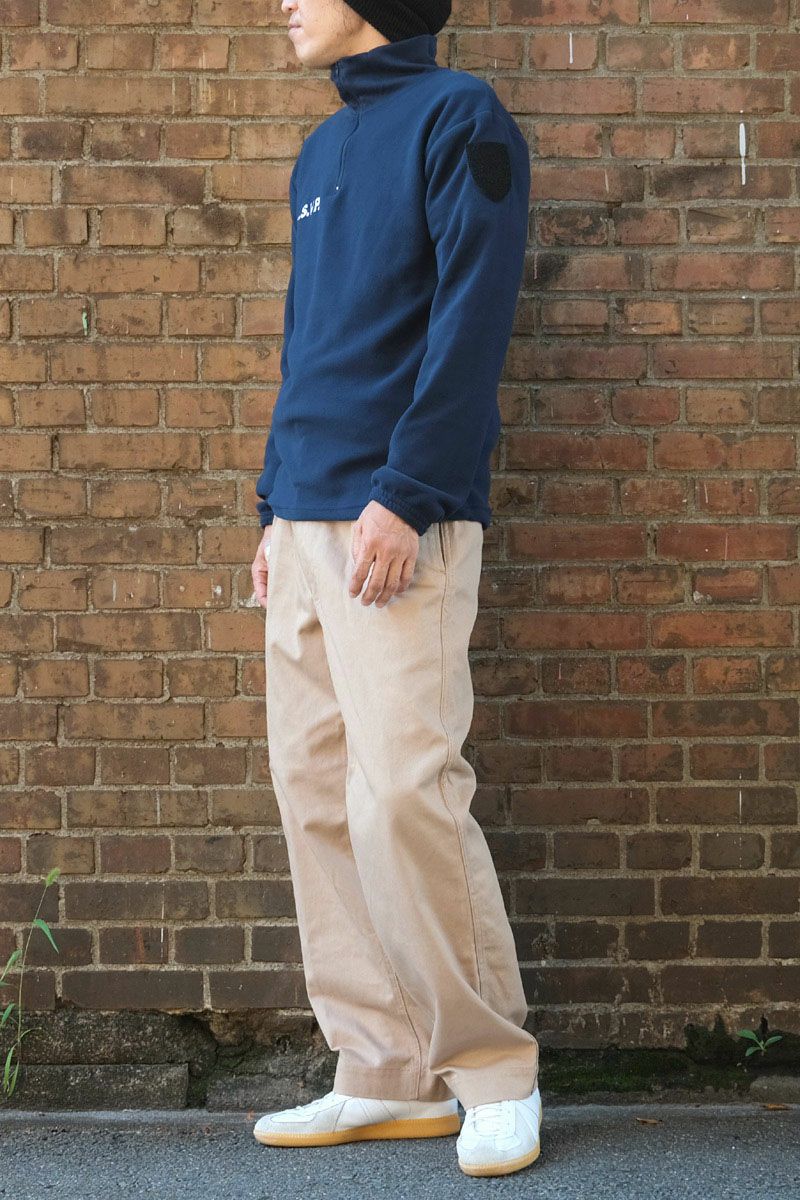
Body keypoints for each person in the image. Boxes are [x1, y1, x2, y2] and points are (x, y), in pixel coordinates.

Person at [249, 0, 541, 1178]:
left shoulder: (459, 117)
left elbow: (472, 314)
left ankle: (493, 1070)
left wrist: (409, 489)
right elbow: (307, 340)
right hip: (304, 518)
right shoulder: (321, 150)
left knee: (403, 796)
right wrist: (271, 506)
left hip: (393, 518)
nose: (285, 2)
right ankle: (381, 1068)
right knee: (316, 795)